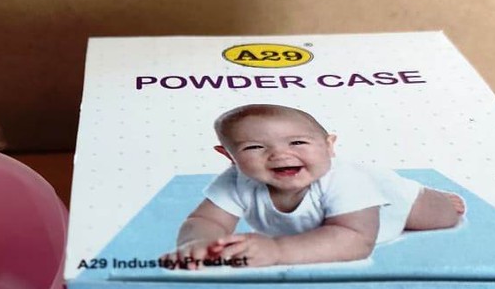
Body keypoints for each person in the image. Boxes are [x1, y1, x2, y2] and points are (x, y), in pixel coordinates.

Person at [165, 103, 465, 269]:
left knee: (441, 216)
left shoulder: (348, 181)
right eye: (254, 147)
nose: (280, 155)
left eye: (297, 142)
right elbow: (205, 219)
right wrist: (200, 244)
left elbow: (355, 240)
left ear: (329, 145)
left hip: (393, 202)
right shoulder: (237, 180)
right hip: (332, 218)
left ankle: (432, 195)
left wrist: (277, 250)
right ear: (229, 156)